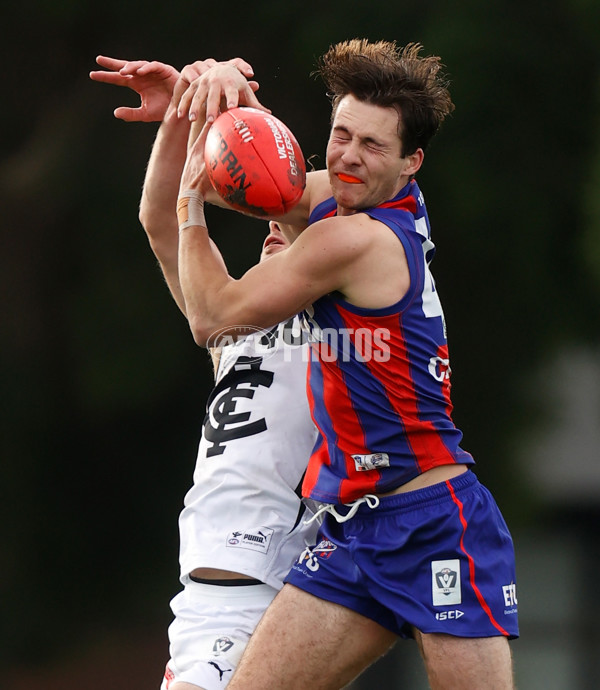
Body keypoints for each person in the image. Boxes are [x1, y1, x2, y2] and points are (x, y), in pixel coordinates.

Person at [170, 39, 519, 689]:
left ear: (412, 162)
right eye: (341, 136)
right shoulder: (355, 200)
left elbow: (216, 316)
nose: (350, 158)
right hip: (352, 531)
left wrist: (188, 208)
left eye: (374, 146)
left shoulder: (355, 237)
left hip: (433, 523)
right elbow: (257, 176)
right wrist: (207, 108)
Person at [90, 57, 319, 690]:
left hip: (262, 583)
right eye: (267, 230)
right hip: (204, 593)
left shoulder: (339, 321)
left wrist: (236, 99)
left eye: (285, 230)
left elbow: (281, 185)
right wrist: (188, 112)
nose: (273, 232)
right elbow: (161, 218)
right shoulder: (229, 328)